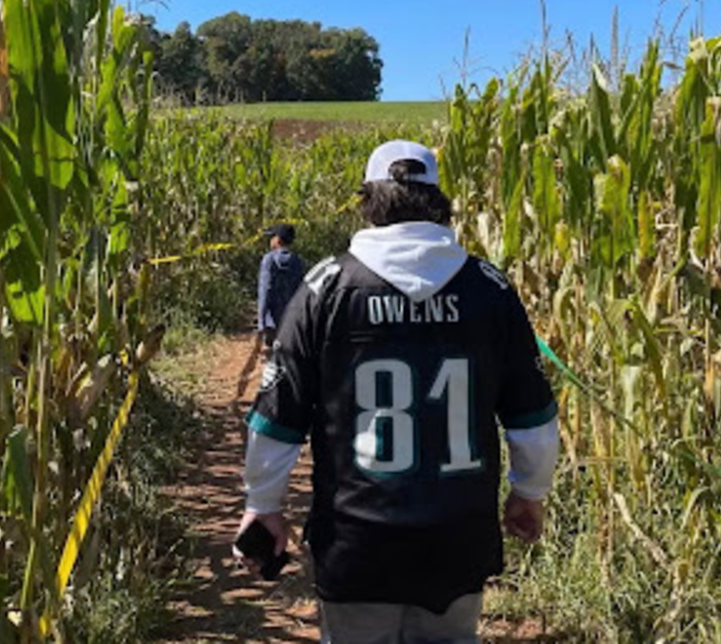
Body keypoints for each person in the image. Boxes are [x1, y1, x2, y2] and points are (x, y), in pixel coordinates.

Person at [235, 140, 559, 644]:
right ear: (437, 202)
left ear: (369, 201)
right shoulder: (489, 289)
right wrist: (529, 491)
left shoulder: (327, 287)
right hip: (458, 541)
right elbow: (532, 416)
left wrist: (263, 502)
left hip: (356, 542)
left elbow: (277, 414)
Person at [256, 223, 306, 351]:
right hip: (291, 318)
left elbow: (265, 290)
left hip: (271, 320)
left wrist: (261, 321)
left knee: (272, 356)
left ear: (277, 240)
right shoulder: (298, 261)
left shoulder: (268, 260)